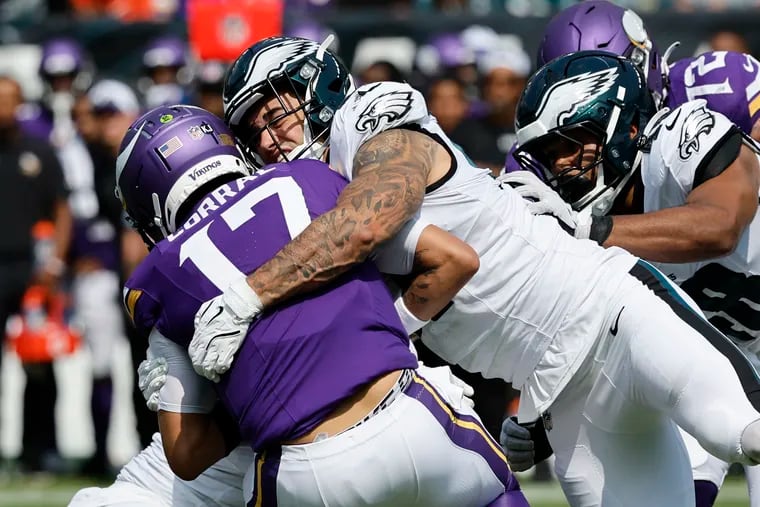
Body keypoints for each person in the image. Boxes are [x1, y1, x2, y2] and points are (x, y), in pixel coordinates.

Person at [189, 36, 760, 506]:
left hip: (614, 311)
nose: (269, 138)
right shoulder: (317, 205)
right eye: (253, 131)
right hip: (558, 392)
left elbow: (371, 215)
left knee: (744, 430)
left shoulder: (367, 118)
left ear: (318, 88)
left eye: (275, 113)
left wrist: (246, 297)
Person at [115, 104, 523, 506]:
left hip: (304, 471)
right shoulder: (310, 176)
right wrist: (380, 334)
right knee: (498, 494)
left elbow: (187, 456)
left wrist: (247, 396)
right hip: (412, 419)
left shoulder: (157, 279)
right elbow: (454, 258)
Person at [501, 3, 760, 504]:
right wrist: (538, 415)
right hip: (709, 349)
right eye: (553, 149)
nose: (561, 165)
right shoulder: (558, 186)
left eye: (575, 141)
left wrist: (590, 228)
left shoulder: (690, 122)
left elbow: (721, 225)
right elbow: (573, 317)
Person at [0, 74, 72, 473]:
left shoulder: (39, 151)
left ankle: (40, 450)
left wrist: (54, 263)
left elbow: (61, 210)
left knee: (40, 365)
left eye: (9, 99)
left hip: (33, 276)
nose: (3, 107)